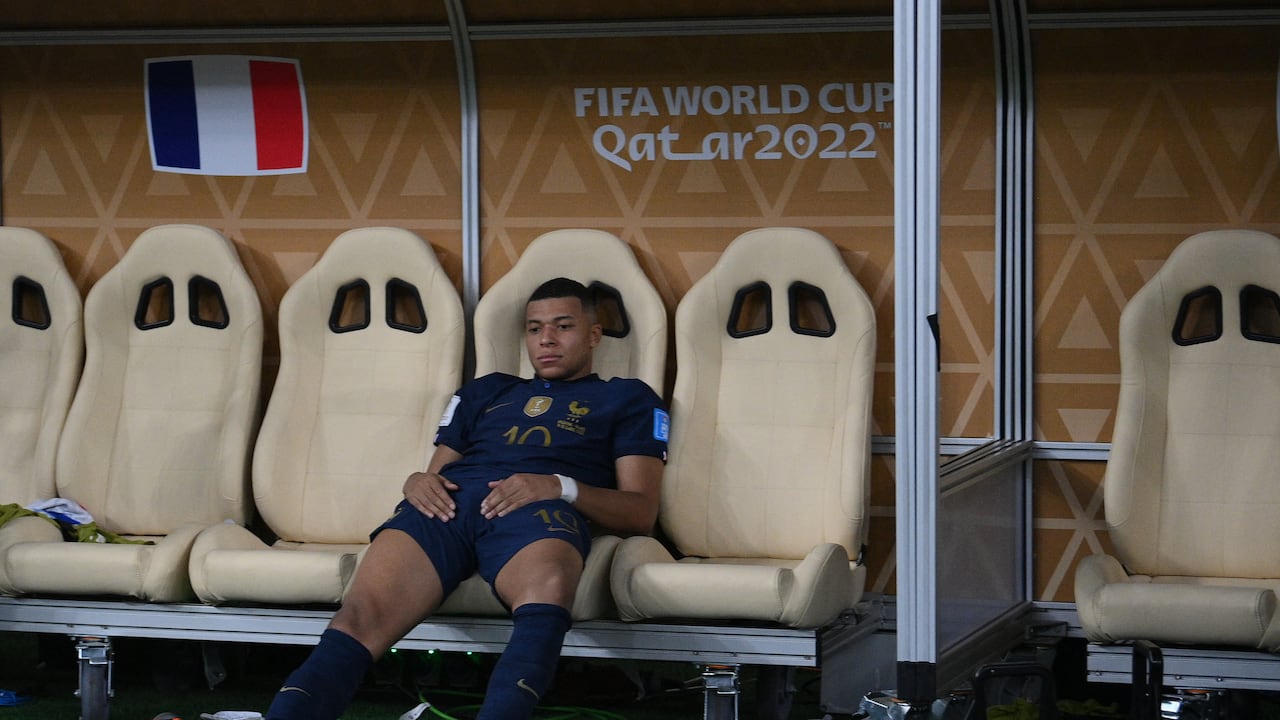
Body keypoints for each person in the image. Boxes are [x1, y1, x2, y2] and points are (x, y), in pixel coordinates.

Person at [266, 277, 670, 720]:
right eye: (534, 329)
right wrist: (416, 481)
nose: (546, 340)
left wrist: (560, 486)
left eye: (563, 326)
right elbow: (437, 470)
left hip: (537, 510)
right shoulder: (487, 390)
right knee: (359, 616)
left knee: (546, 593)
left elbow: (640, 512)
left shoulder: (628, 398)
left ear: (594, 335)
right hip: (449, 504)